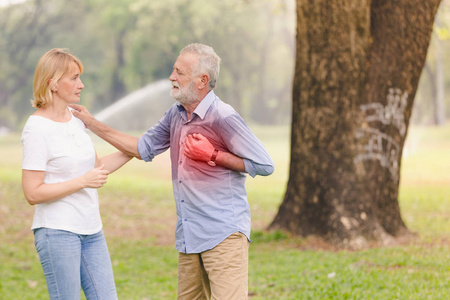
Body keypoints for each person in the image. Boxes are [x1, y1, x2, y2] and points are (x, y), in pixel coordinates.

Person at [70, 43, 274, 300]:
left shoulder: (223, 116)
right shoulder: (175, 114)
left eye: (179, 72)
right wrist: (91, 123)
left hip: (223, 236)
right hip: (189, 237)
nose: (171, 77)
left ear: (202, 80)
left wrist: (212, 155)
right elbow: (143, 148)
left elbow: (264, 165)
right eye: (173, 70)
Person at [21, 48, 132, 300]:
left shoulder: (76, 118)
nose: (81, 85)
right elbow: (32, 192)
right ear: (53, 83)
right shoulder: (36, 129)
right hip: (57, 232)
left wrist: (135, 149)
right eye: (73, 78)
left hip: (92, 231)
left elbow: (97, 168)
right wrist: (83, 181)